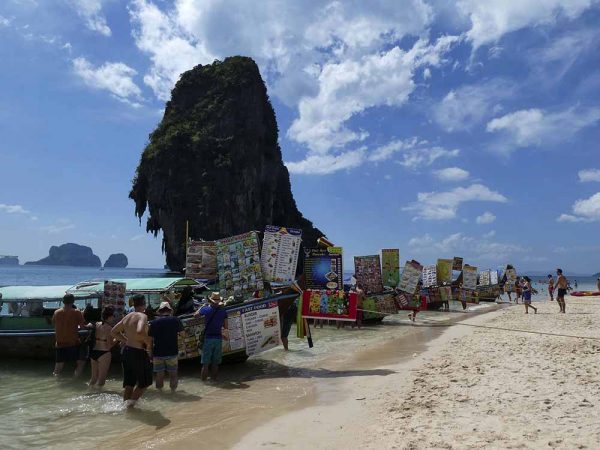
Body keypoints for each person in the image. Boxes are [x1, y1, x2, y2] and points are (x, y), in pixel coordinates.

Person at [111, 294, 152, 407]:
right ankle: (130, 407)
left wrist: (126, 339)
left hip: (127, 351)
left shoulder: (127, 316)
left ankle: (125, 407)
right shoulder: (142, 316)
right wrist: (147, 341)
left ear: (134, 304)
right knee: (145, 382)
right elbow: (139, 331)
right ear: (144, 304)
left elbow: (113, 332)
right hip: (138, 352)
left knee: (129, 382)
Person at [149, 301, 184, 391]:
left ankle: (160, 393)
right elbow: (183, 334)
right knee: (173, 374)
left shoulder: (153, 322)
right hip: (172, 351)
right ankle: (173, 393)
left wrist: (150, 353)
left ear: (160, 311)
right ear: (170, 310)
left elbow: (150, 340)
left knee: (159, 375)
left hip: (158, 352)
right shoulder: (176, 320)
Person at [52, 294, 89, 377]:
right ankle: (75, 380)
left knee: (58, 367)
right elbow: (83, 327)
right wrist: (89, 325)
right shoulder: (76, 312)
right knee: (81, 362)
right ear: (73, 301)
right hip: (73, 343)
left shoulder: (56, 312)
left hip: (59, 343)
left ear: (63, 301)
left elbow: (55, 323)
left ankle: (56, 382)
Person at [195, 292, 228, 381]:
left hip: (208, 338)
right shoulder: (223, 311)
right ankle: (215, 381)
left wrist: (202, 306)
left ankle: (204, 384)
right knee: (215, 363)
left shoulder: (206, 309)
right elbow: (226, 326)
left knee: (205, 364)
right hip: (218, 339)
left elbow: (195, 315)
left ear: (211, 301)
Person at [88, 306, 116, 388]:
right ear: (110, 317)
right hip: (104, 353)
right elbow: (110, 345)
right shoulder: (109, 328)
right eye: (113, 316)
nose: (114, 318)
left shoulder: (97, 324)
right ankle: (98, 398)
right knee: (101, 381)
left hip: (94, 352)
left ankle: (89, 393)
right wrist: (117, 339)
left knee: (93, 379)